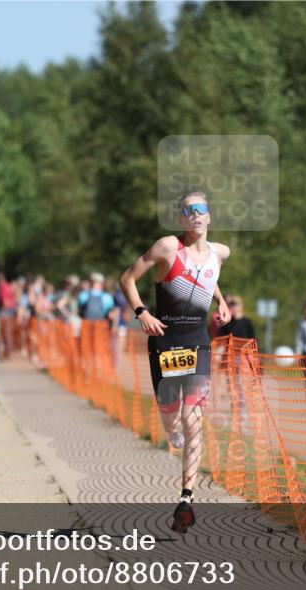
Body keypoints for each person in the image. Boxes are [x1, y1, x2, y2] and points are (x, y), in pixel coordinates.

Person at [120, 191, 231, 534]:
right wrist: (142, 312)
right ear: (182, 218)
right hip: (165, 345)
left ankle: (186, 499)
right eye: (189, 210)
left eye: (201, 209)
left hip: (198, 346)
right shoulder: (168, 247)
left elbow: (208, 276)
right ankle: (172, 431)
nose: (196, 215)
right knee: (172, 420)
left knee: (192, 419)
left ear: (209, 215)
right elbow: (127, 279)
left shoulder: (220, 253)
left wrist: (221, 302)